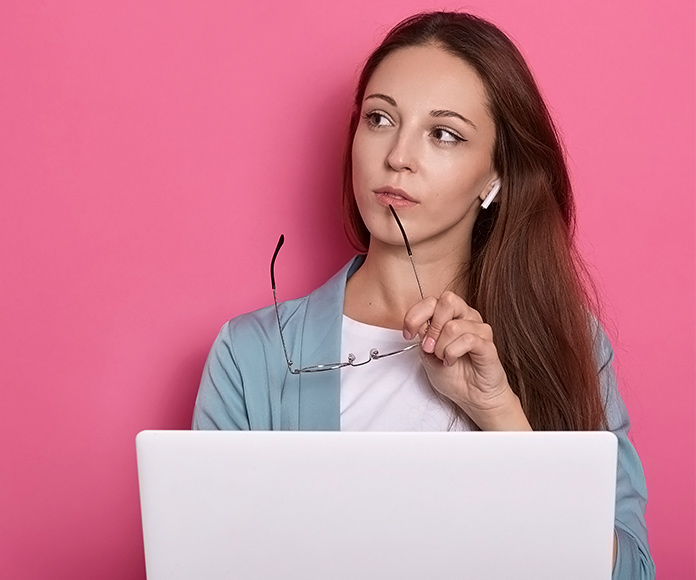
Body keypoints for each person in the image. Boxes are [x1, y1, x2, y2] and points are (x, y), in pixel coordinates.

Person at [192, 11, 655, 579]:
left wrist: (501, 416)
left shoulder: (570, 341)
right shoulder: (249, 357)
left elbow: (630, 572)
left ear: (495, 177)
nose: (398, 156)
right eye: (380, 118)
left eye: (444, 133)